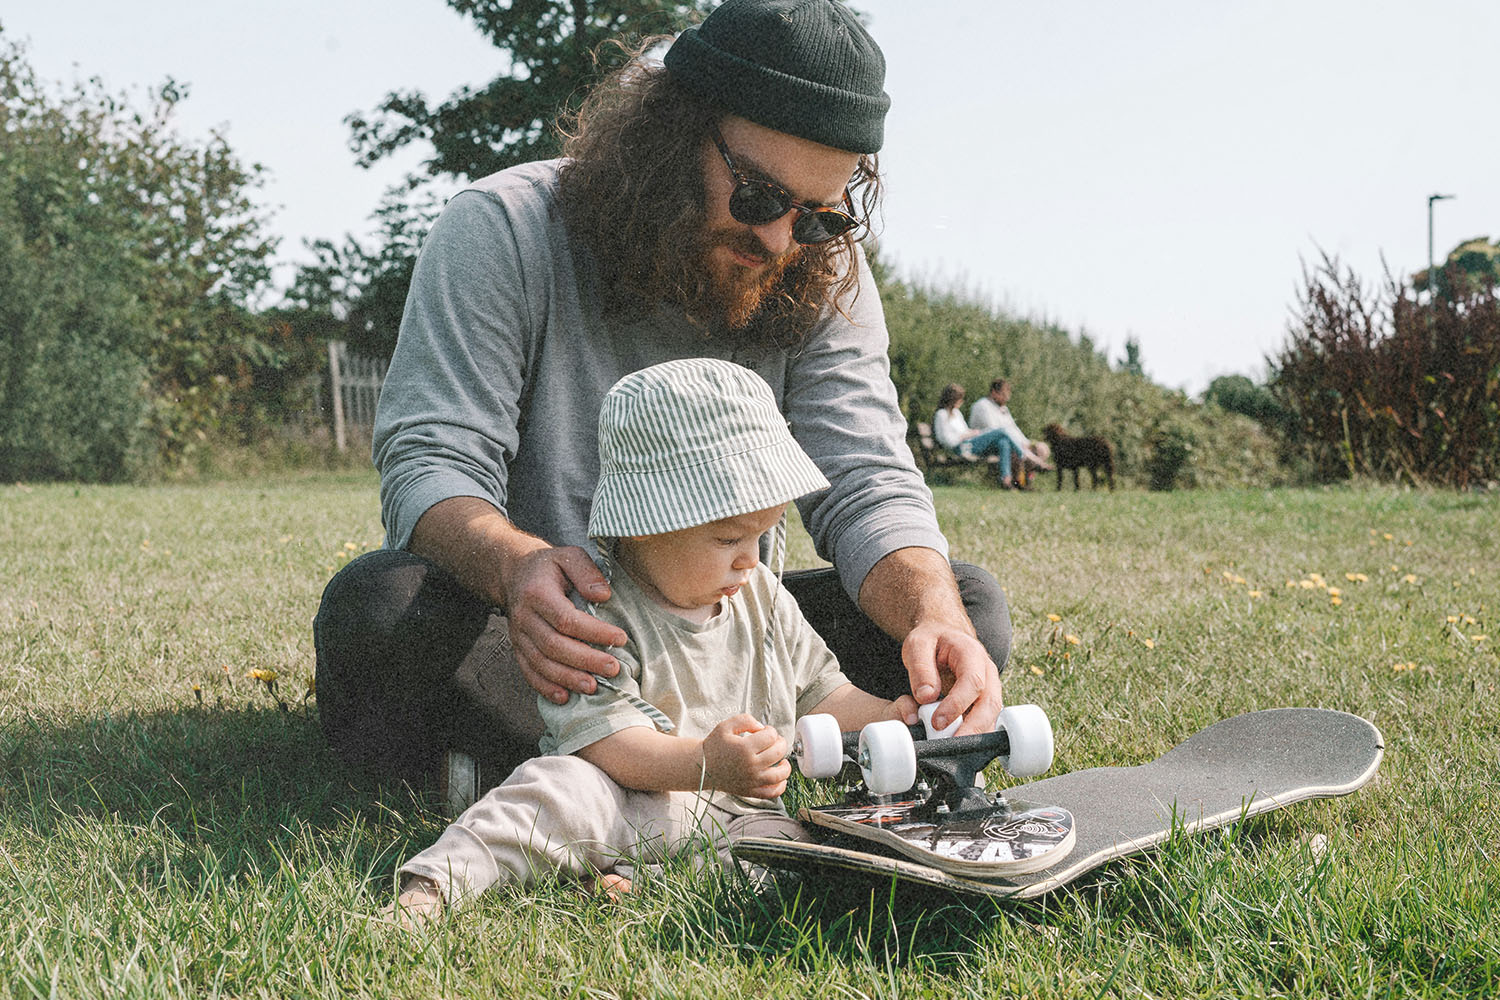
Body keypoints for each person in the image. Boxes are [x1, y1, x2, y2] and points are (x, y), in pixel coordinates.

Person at [313, 0, 1012, 806]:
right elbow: (431, 463)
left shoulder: (824, 276)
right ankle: (671, 756)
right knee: (381, 610)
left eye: (819, 216)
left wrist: (935, 618)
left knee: (966, 608)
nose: (781, 240)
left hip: (737, 637)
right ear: (671, 135)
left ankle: (547, 770)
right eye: (756, 196)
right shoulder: (504, 229)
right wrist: (517, 568)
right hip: (563, 637)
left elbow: (866, 481)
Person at [385, 359, 915, 925]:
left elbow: (821, 692)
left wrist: (892, 717)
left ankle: (627, 877)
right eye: (729, 537)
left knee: (798, 852)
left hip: (742, 814)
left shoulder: (759, 593)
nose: (750, 558)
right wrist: (705, 764)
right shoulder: (598, 610)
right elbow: (610, 744)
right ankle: (436, 887)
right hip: (625, 798)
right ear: (646, 521)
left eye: (762, 534)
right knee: (557, 792)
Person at [931, 382, 1044, 489]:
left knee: (1003, 442)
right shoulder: (941, 415)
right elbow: (945, 440)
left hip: (969, 443)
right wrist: (965, 435)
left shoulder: (956, 413)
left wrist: (971, 433)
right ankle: (1024, 455)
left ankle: (1006, 480)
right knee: (1002, 431)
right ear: (953, 399)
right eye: (960, 399)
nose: (961, 402)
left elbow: (964, 431)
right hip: (961, 447)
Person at [968, 378, 1053, 484]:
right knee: (1006, 443)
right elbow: (995, 431)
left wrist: (1026, 443)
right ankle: (1021, 479)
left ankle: (1026, 480)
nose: (1006, 399)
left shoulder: (1003, 409)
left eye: (1007, 396)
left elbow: (1013, 428)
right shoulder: (982, 406)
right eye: (1003, 395)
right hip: (985, 445)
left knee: (1041, 448)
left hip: (1006, 442)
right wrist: (1019, 444)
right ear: (994, 393)